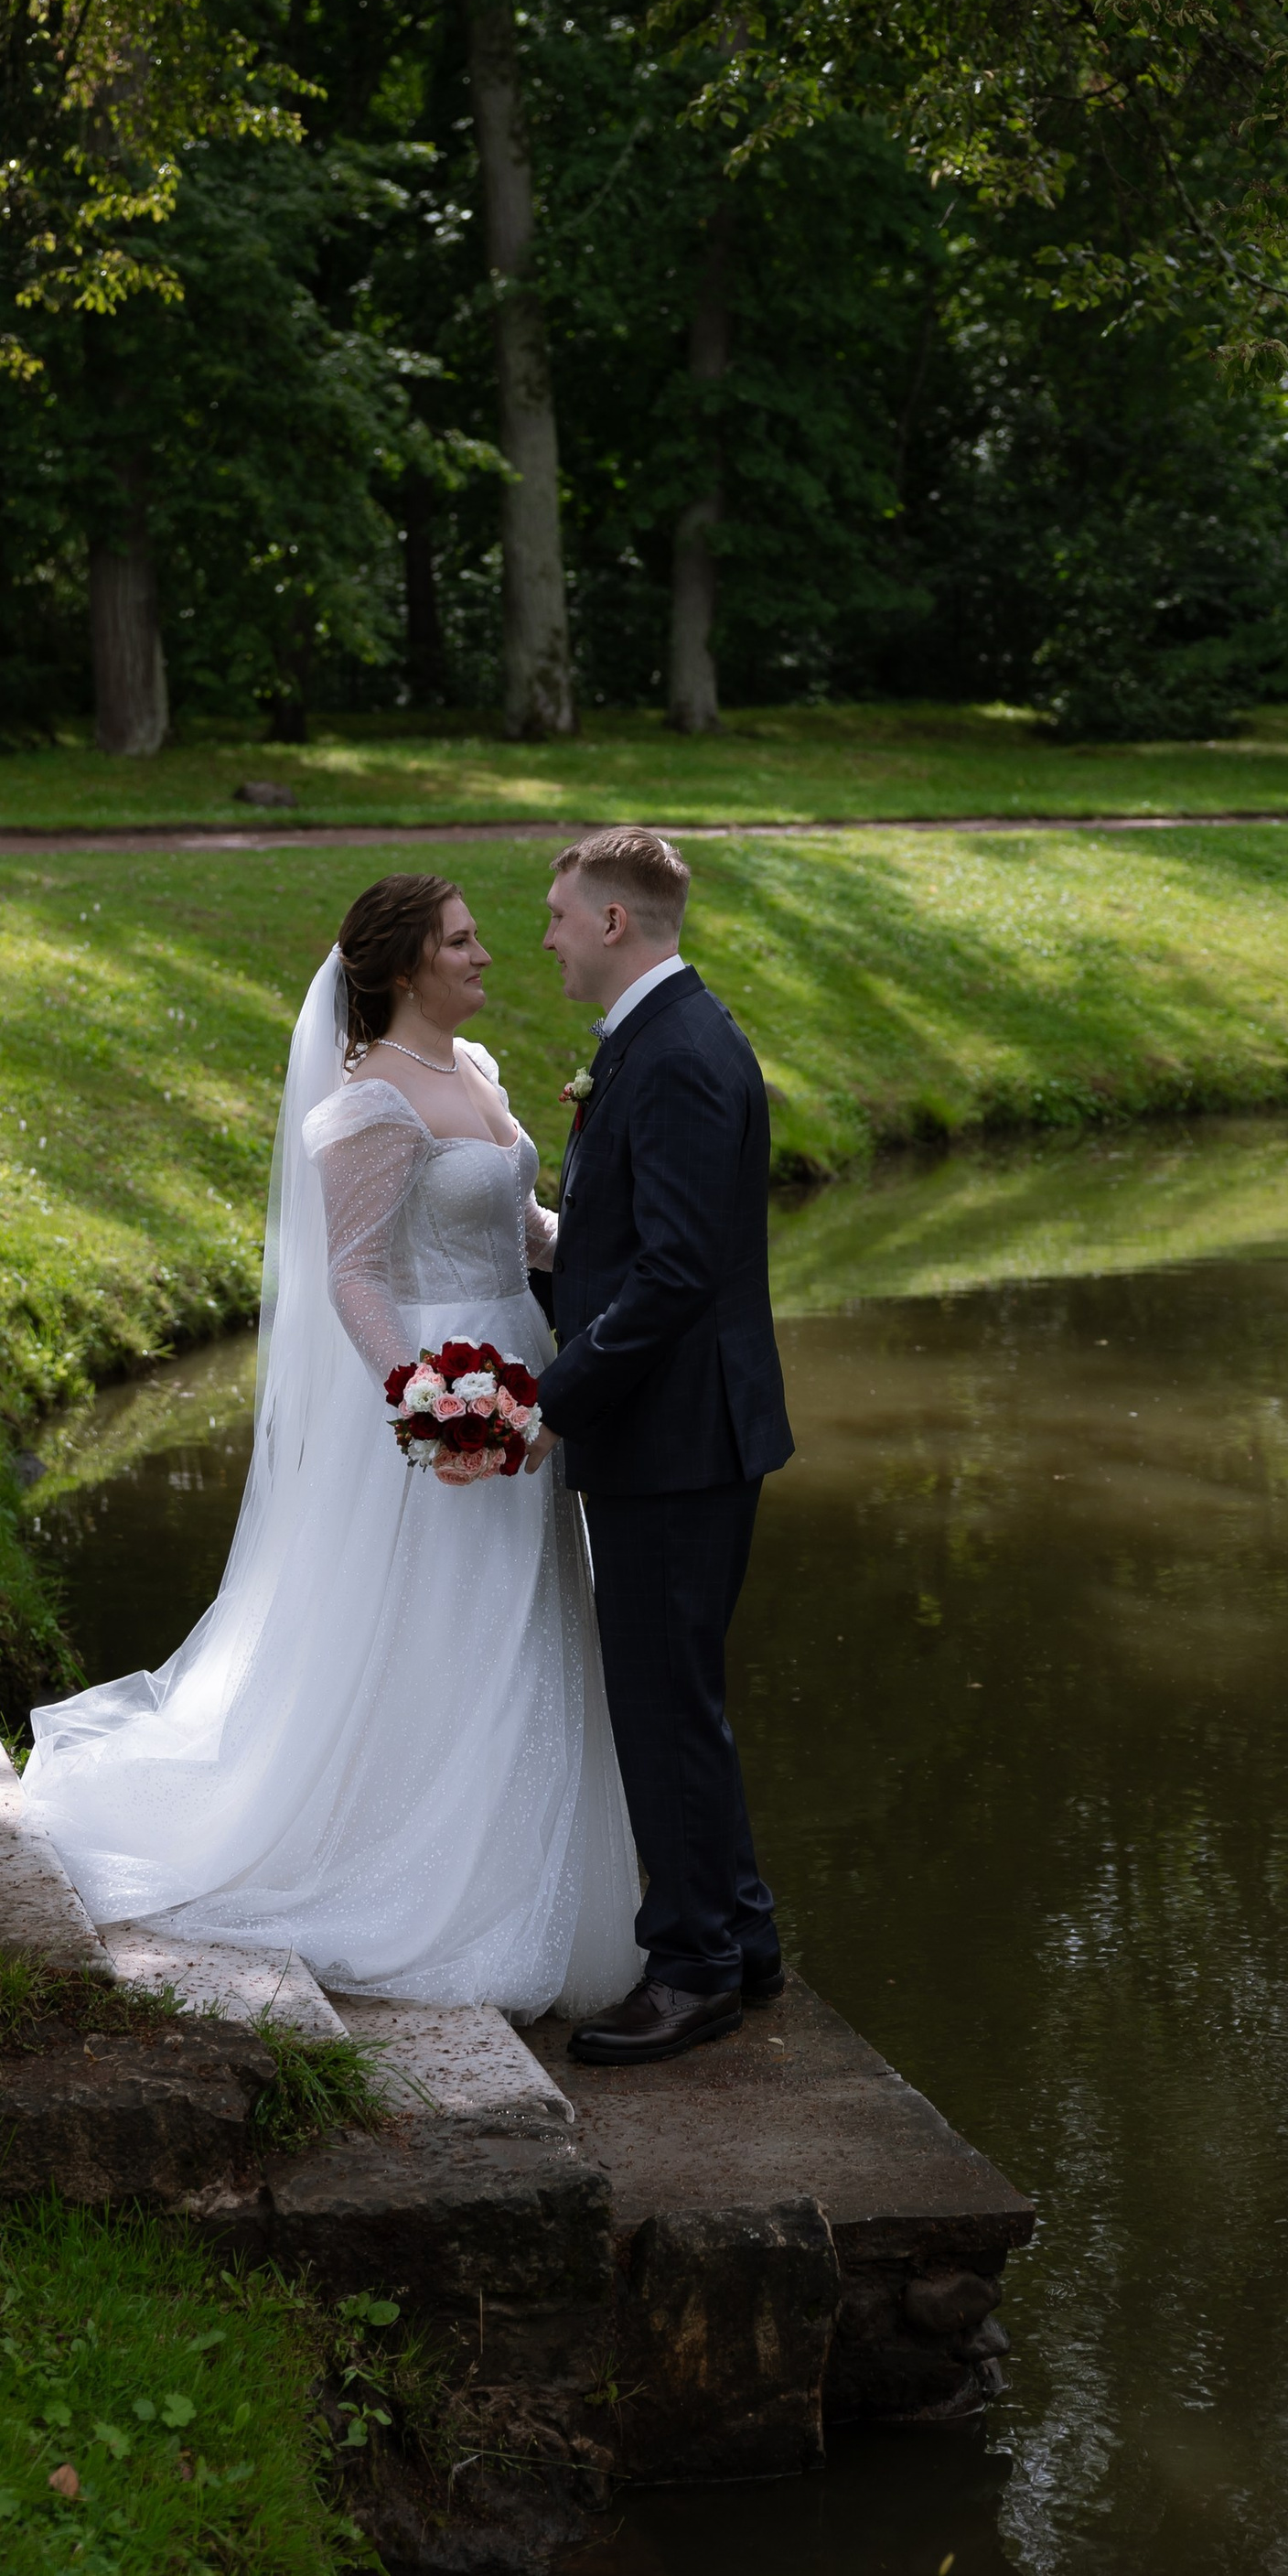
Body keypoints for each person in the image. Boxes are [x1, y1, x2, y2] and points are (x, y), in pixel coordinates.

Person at [21, 874, 639, 2020]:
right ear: (405, 968)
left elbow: (528, 1237)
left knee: (522, 1622)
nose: (485, 958)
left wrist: (627, 1264)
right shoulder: (367, 1103)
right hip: (435, 1398)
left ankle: (519, 1874)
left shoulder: (481, 1078)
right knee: (437, 1623)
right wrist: (426, 1403)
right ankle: (401, 1871)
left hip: (522, 1379)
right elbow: (352, 1272)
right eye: (461, 943)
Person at [532, 825, 793, 2064]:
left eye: (560, 916)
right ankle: (740, 1936)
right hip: (687, 1431)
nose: (549, 939)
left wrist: (554, 1393)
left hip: (677, 1439)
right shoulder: (667, 1037)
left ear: (615, 923)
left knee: (660, 1703)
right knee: (680, 1695)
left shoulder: (677, 1053)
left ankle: (691, 1972)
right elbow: (639, 1238)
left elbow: (679, 1269)